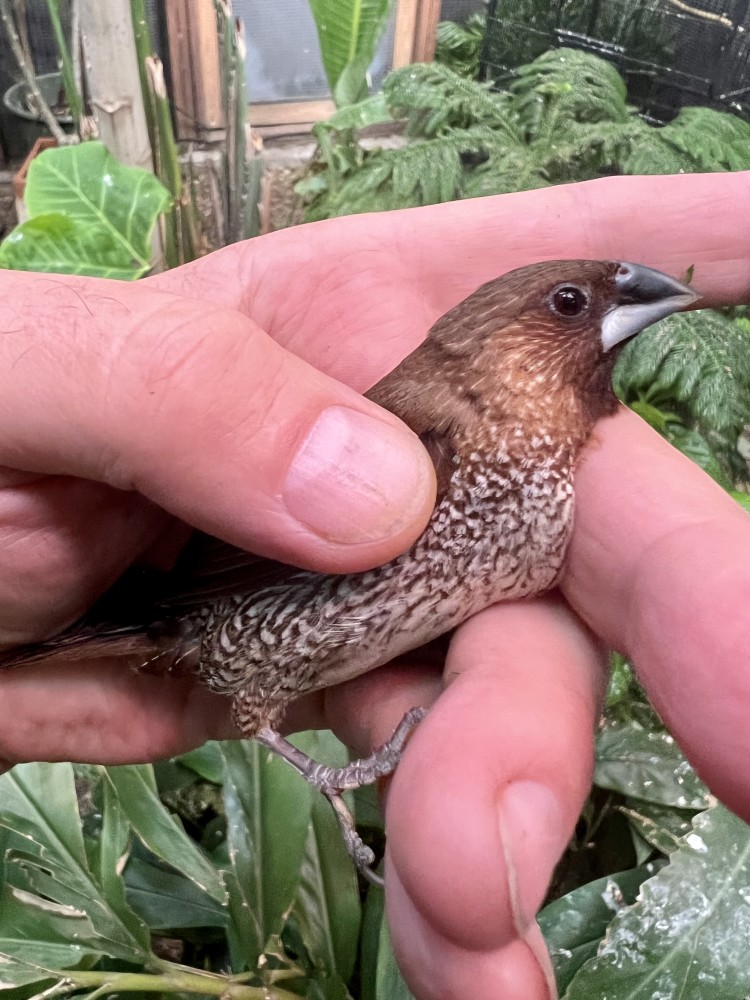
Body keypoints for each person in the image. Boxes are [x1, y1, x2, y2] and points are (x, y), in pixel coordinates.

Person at [1, 171, 749, 1000]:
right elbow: (250, 571)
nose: (614, 307)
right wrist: (316, 771)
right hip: (221, 613)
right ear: (495, 346)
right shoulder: (437, 432)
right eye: (569, 305)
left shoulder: (538, 440)